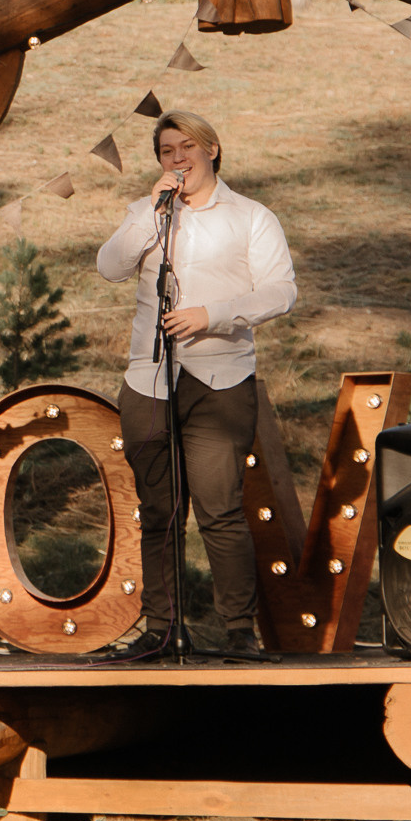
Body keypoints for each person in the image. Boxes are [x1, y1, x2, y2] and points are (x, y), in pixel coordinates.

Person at [96, 110, 296, 659]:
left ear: (212, 150)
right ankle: (162, 628)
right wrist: (150, 213)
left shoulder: (252, 217)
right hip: (149, 379)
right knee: (158, 510)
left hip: (220, 378)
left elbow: (281, 292)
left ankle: (238, 632)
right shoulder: (147, 212)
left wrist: (214, 314)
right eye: (166, 151)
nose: (177, 159)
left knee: (219, 510)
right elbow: (110, 266)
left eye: (187, 147)